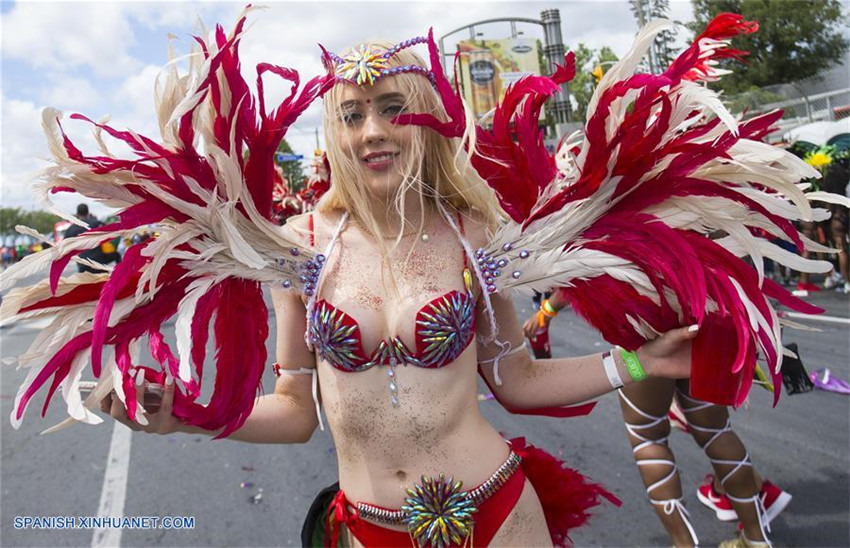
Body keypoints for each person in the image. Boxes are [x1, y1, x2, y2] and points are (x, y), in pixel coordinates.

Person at [3, 10, 834, 548]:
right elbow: (296, 413)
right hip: (369, 527)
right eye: (354, 113)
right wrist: (179, 416)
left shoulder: (478, 239)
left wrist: (646, 364)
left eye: (394, 108)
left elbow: (515, 378)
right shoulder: (297, 249)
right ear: (335, 128)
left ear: (428, 123)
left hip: (500, 511)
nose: (374, 131)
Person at [523, 290, 791, 548]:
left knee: (647, 437)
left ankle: (684, 545)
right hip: (701, 323)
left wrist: (546, 312)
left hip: (644, 331)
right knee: (717, 432)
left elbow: (586, 266)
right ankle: (756, 540)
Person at [62, 203, 119, 273]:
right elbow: (109, 232)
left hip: (83, 263)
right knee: (117, 255)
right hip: (98, 260)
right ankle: (122, 275)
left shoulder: (72, 229)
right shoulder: (96, 223)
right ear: (88, 212)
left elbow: (65, 245)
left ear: (77, 213)